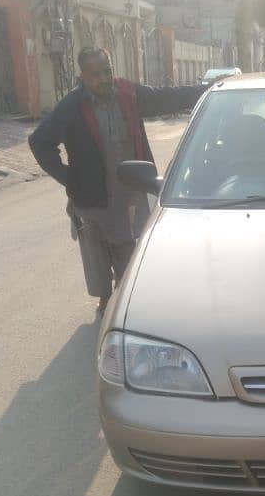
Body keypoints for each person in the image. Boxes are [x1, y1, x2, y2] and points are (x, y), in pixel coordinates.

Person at [29, 47, 212, 314]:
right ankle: (105, 300)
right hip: (91, 197)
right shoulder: (72, 106)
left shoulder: (128, 94)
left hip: (129, 192)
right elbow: (39, 142)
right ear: (83, 76)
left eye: (107, 71)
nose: (104, 79)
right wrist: (70, 179)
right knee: (96, 254)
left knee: (127, 250)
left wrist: (205, 89)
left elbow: (167, 97)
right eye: (96, 75)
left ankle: (124, 300)